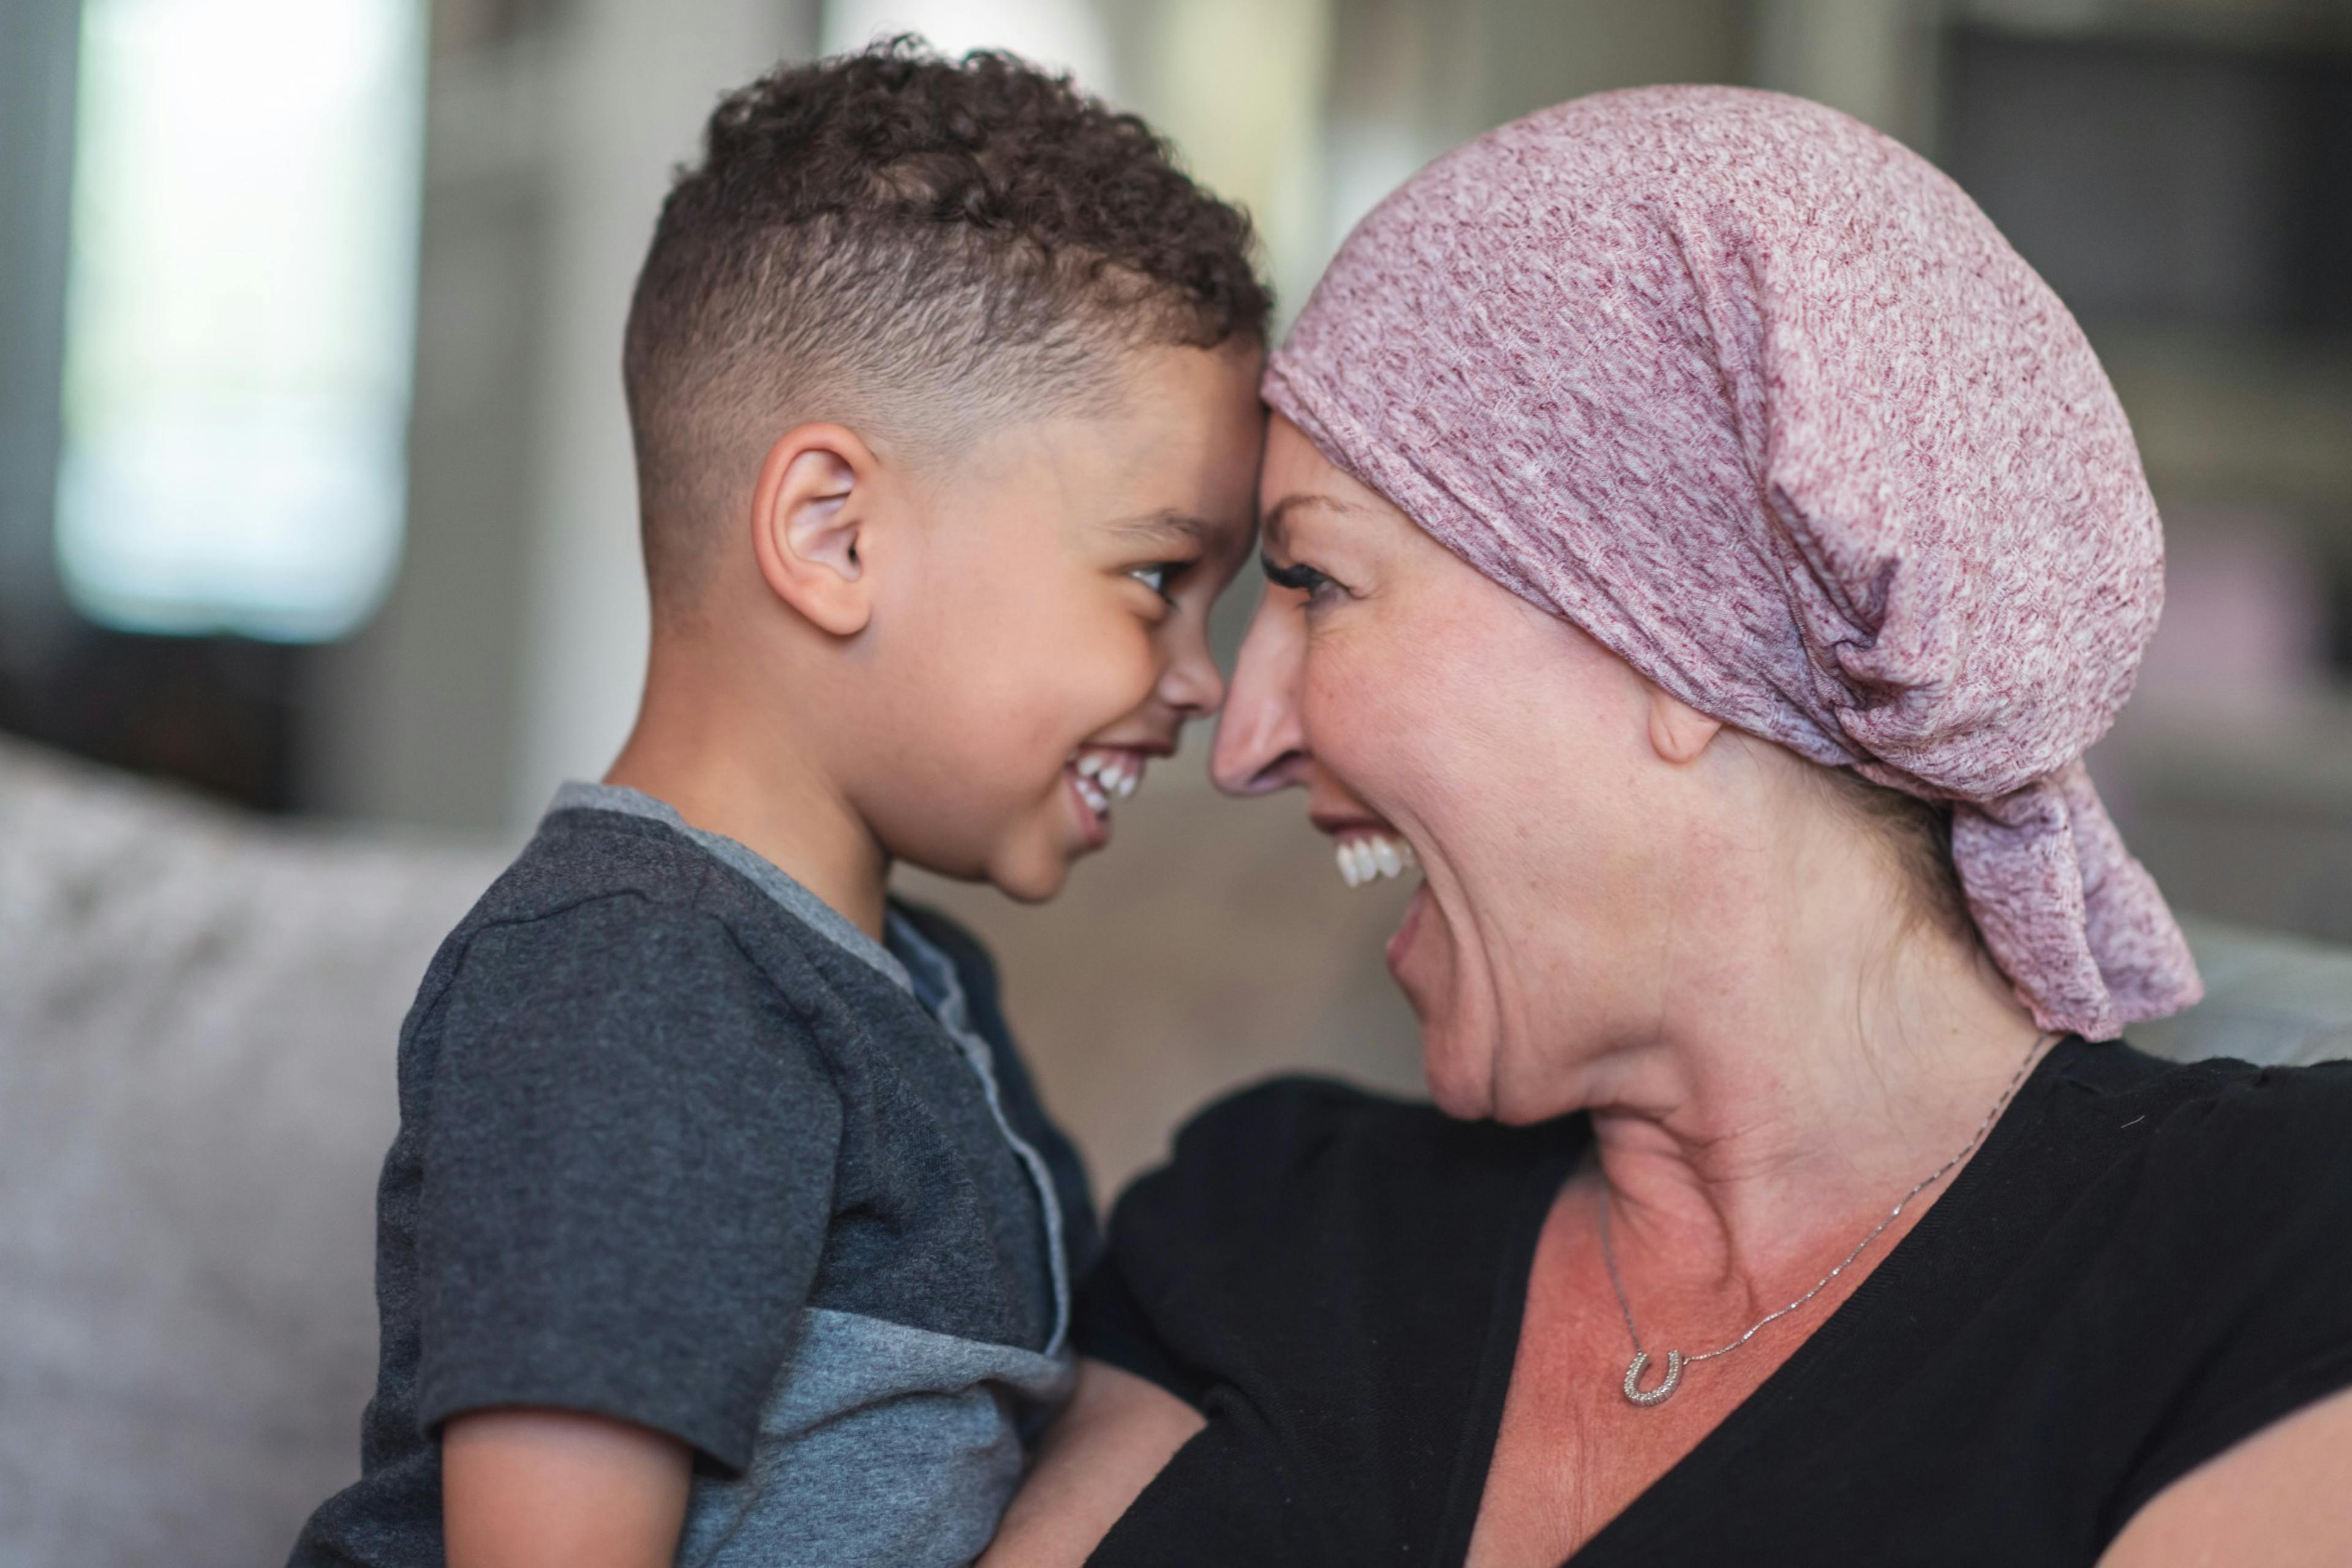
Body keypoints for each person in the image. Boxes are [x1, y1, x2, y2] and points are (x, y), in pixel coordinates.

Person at [981, 87, 2352, 1566]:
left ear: (1670, 637)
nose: (1242, 737)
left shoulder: (2270, 1245)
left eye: (1315, 581)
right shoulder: (1265, 1223)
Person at [288, 41, 1268, 1568]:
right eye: (1155, 578)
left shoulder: (916, 987)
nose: (1202, 679)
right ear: (834, 534)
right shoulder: (642, 983)